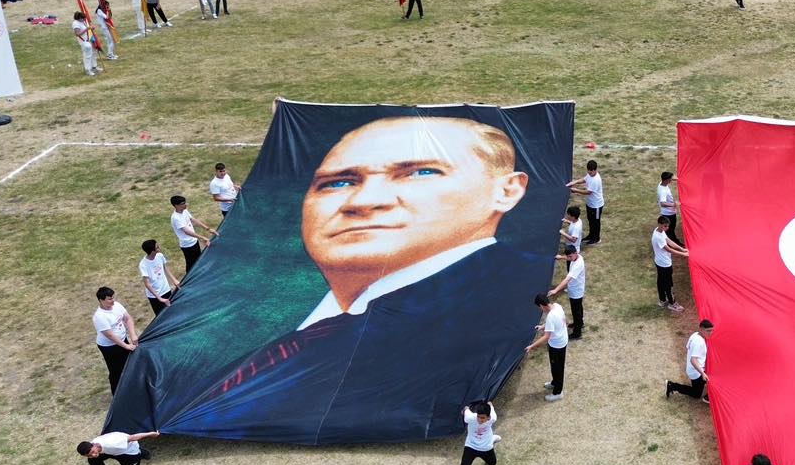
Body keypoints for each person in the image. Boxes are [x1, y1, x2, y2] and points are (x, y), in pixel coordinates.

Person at [154, 115, 546, 443]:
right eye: (337, 183)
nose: (363, 202)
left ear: (506, 191)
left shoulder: (496, 308)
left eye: (420, 173)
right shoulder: (264, 325)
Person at [78, 429, 159, 465]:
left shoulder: (113, 443)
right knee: (92, 460)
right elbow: (93, 455)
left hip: (128, 452)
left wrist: (151, 434)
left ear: (94, 445)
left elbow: (133, 437)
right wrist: (92, 456)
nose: (93, 455)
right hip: (112, 452)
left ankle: (141, 452)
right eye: (89, 455)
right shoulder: (93, 445)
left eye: (93, 452)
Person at [93, 287, 138, 394]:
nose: (113, 300)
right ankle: (117, 395)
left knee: (129, 364)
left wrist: (133, 335)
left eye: (113, 297)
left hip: (122, 339)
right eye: (109, 299)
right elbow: (110, 335)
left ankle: (131, 387)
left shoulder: (116, 305)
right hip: (110, 347)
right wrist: (126, 346)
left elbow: (127, 318)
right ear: (101, 300)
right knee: (116, 371)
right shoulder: (99, 317)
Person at [526, 293, 568, 402]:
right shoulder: (558, 306)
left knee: (558, 368)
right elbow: (556, 322)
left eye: (539, 307)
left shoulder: (550, 316)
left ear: (541, 305)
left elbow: (546, 337)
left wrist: (532, 346)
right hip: (562, 341)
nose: (540, 309)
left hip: (556, 346)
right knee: (556, 366)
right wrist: (542, 326)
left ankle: (558, 393)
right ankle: (555, 383)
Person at [666, 319, 712, 403]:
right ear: (701, 329)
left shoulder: (695, 334)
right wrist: (702, 373)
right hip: (696, 372)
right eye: (708, 331)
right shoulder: (699, 342)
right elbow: (693, 360)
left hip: (694, 369)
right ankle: (672, 386)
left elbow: (688, 347)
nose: (710, 333)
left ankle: (707, 390)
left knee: (709, 377)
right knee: (696, 394)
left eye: (711, 330)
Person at [170, 195, 217, 272]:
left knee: (198, 260)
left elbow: (193, 220)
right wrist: (202, 237)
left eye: (185, 202)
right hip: (187, 245)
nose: (185, 205)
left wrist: (208, 229)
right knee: (191, 264)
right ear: (176, 205)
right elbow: (186, 231)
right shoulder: (175, 218)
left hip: (194, 241)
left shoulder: (185, 211)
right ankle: (190, 279)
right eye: (183, 204)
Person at [652, 215, 689, 312]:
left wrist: (682, 249)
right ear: (660, 224)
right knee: (668, 284)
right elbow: (669, 249)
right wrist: (683, 254)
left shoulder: (659, 231)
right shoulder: (658, 237)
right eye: (665, 226)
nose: (667, 228)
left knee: (661, 282)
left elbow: (669, 241)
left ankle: (662, 300)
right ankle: (672, 303)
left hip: (659, 262)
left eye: (667, 226)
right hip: (665, 264)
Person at [457, 401, 499, 465]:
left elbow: (491, 407)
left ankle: (492, 439)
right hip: (471, 446)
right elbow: (466, 409)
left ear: (488, 417)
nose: (479, 420)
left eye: (482, 418)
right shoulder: (470, 418)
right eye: (478, 417)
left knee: (492, 463)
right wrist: (465, 409)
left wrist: (490, 405)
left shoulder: (493, 418)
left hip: (486, 446)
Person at [549, 246, 586, 340]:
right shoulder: (576, 256)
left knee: (576, 312)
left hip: (576, 292)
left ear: (575, 253)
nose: (569, 258)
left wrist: (555, 290)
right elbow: (569, 257)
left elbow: (567, 280)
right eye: (568, 256)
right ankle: (579, 323)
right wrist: (561, 257)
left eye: (570, 256)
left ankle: (577, 333)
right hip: (575, 290)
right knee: (578, 309)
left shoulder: (578, 265)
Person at [566, 160, 603, 244]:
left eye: (590, 172)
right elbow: (584, 179)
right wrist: (574, 182)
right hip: (590, 203)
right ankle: (591, 235)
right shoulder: (590, 175)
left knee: (596, 222)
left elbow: (588, 192)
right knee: (590, 220)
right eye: (588, 171)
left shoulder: (596, 180)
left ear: (594, 170)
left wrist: (576, 190)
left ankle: (596, 239)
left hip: (596, 205)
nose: (589, 173)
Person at [139, 239, 179, 315]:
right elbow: (147, 284)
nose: (159, 248)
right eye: (157, 247)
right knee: (161, 316)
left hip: (166, 290)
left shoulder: (160, 256)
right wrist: (160, 299)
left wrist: (174, 280)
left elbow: (165, 268)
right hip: (155, 297)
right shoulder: (143, 265)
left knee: (172, 313)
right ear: (152, 251)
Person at [656, 172, 682, 245]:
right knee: (670, 230)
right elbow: (662, 203)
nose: (671, 180)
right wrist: (674, 204)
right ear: (667, 180)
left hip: (668, 212)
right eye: (670, 179)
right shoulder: (663, 191)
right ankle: (673, 243)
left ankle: (671, 241)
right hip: (669, 214)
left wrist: (677, 179)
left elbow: (669, 177)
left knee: (669, 229)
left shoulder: (661, 183)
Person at [72, 11, 99, 77]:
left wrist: (90, 28)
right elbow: (77, 34)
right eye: (83, 18)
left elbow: (87, 27)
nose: (84, 19)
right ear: (79, 18)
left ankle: (94, 67)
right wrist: (87, 29)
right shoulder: (75, 24)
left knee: (93, 53)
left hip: (89, 39)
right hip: (83, 41)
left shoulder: (83, 21)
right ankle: (88, 70)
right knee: (87, 56)